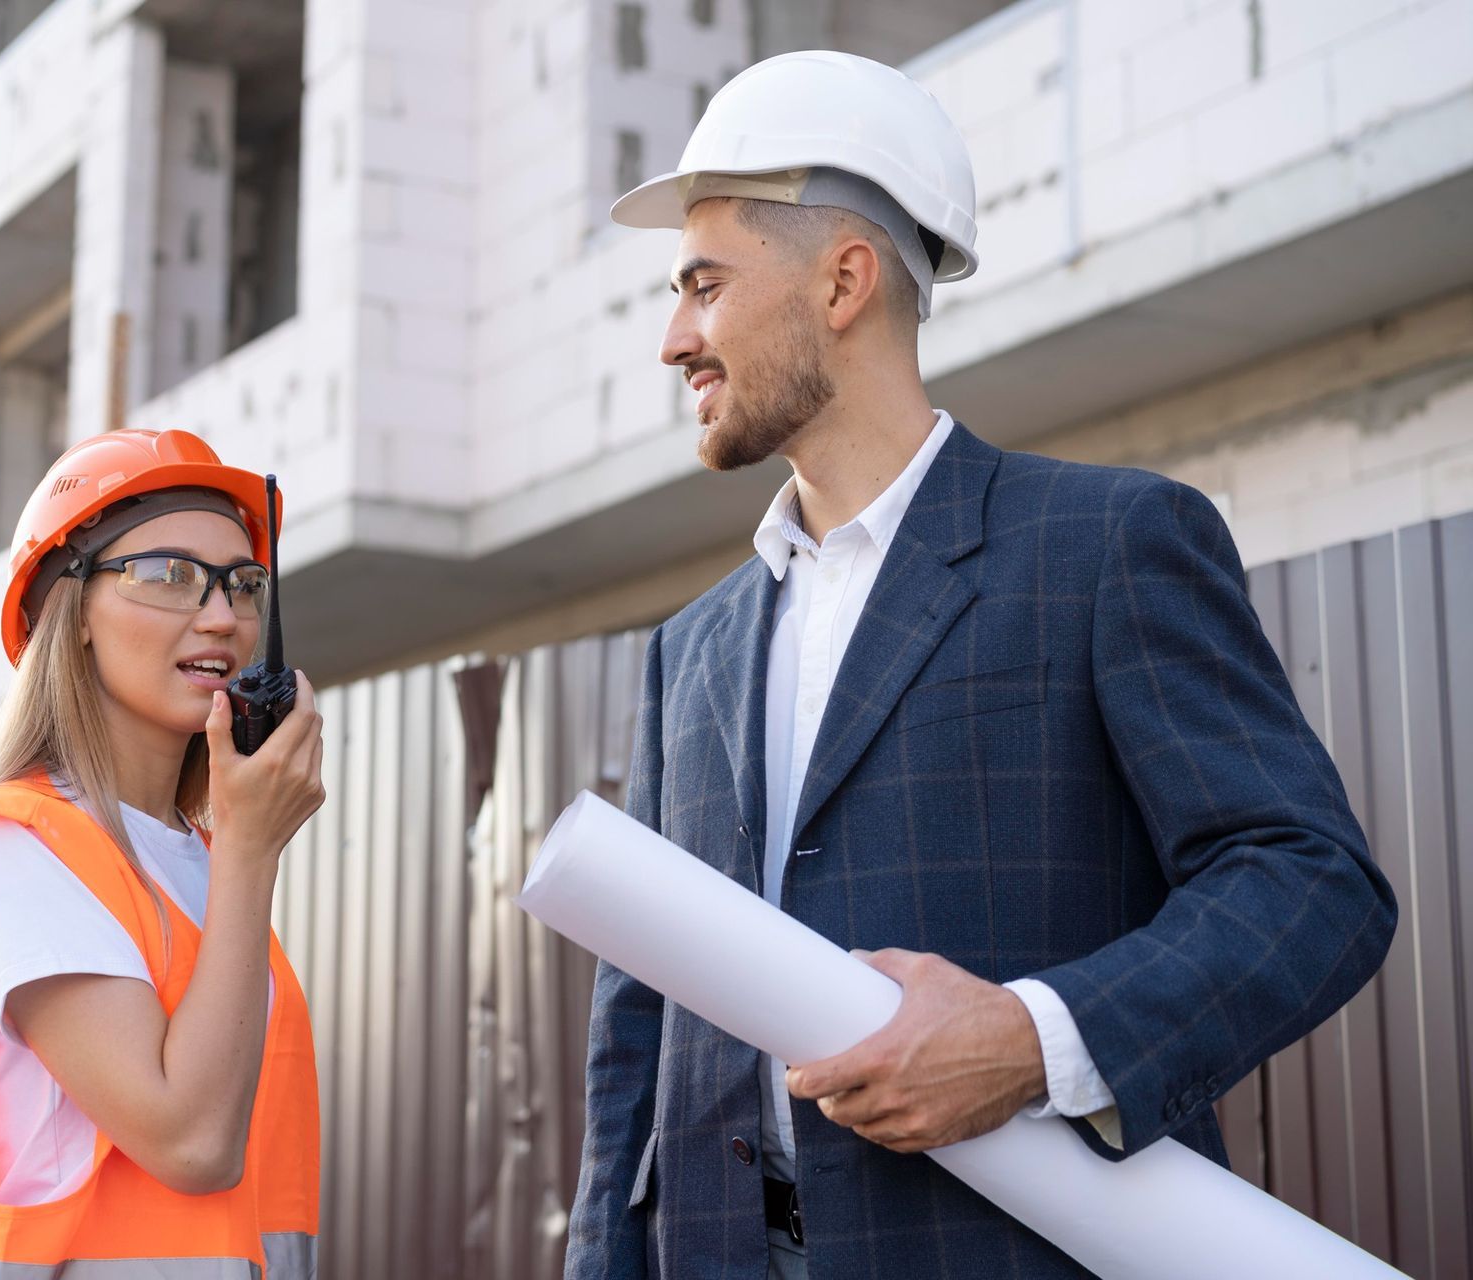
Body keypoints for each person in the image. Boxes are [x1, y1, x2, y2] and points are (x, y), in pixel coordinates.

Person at [566, 51, 1397, 1279]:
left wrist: (1028, 1036)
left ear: (844, 280)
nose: (675, 337)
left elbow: (1312, 883)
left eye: (704, 284)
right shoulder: (689, 651)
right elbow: (638, 1028)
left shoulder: (1105, 545)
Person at [0, 428, 325, 1278]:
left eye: (244, 583)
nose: (224, 615)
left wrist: (237, 847)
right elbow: (192, 1142)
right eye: (168, 575)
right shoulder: (17, 844)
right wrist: (251, 851)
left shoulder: (202, 857)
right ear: (68, 613)